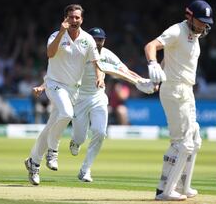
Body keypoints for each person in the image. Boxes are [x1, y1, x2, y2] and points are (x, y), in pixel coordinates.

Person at [33, 27, 155, 183]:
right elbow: (58, 74)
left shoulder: (107, 54)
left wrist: (143, 81)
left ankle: (85, 170)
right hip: (78, 100)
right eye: (95, 39)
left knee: (100, 132)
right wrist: (43, 87)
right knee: (80, 137)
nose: (98, 42)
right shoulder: (79, 54)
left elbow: (125, 70)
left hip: (98, 97)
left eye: (101, 39)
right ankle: (76, 142)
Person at [24, 4, 104, 186]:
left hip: (72, 89)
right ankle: (53, 151)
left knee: (50, 127)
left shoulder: (88, 40)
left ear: (82, 19)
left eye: (77, 18)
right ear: (65, 19)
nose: (74, 21)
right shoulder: (55, 36)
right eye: (71, 18)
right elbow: (50, 54)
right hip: (54, 84)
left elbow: (95, 62)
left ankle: (33, 162)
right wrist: (61, 33)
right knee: (66, 114)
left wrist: (100, 77)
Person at [144, 0, 213, 201]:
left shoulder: (195, 34)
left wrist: (158, 76)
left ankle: (184, 186)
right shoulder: (176, 30)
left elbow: (171, 57)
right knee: (183, 143)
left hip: (186, 91)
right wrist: (152, 64)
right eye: (201, 21)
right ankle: (165, 191)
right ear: (189, 16)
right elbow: (151, 46)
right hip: (174, 90)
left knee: (195, 139)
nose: (204, 25)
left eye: (206, 22)